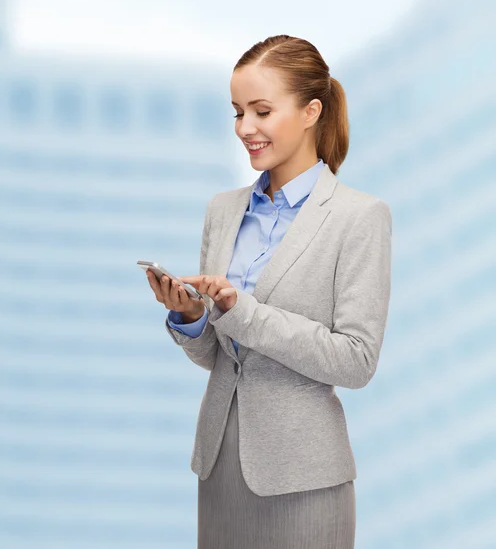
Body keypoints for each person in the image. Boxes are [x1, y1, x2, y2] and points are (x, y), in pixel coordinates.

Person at [145, 35, 392, 549]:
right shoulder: (224, 209)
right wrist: (191, 318)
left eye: (261, 111)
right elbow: (221, 357)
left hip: (303, 478)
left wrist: (242, 310)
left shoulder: (359, 218)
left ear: (311, 112)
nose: (245, 129)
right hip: (219, 466)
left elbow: (356, 361)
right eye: (237, 113)